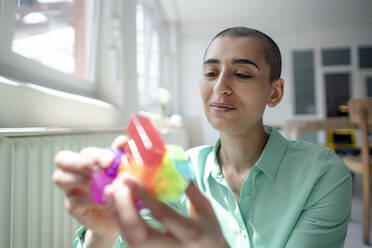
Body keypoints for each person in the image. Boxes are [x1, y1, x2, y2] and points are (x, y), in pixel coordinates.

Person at [53, 27, 352, 248]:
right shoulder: (177, 171)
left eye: (243, 74)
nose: (220, 86)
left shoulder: (323, 173)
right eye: (210, 73)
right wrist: (104, 232)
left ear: (274, 92)